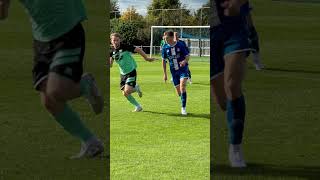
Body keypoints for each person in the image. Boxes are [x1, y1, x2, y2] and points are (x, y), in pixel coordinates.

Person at [0, 0, 105, 158]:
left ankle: (85, 85)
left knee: (56, 90)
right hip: (42, 38)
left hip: (68, 31)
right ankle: (90, 142)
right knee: (48, 100)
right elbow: (3, 13)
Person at [211, 0, 250, 167]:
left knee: (232, 85)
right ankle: (235, 122)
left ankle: (235, 146)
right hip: (210, 31)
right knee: (223, 102)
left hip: (232, 26)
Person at [110, 33, 156, 112]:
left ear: (120, 40)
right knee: (125, 93)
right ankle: (138, 106)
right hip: (123, 74)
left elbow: (138, 49)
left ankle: (135, 87)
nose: (115, 42)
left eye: (117, 40)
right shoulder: (111, 51)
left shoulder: (125, 46)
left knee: (127, 91)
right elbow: (110, 64)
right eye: (114, 40)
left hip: (131, 71)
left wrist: (146, 58)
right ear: (111, 41)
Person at [162, 30, 190, 115]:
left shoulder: (180, 45)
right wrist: (165, 74)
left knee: (182, 87)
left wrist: (184, 61)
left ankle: (183, 108)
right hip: (173, 72)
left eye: (166, 38)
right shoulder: (165, 47)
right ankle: (183, 101)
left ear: (171, 37)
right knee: (179, 92)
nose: (165, 39)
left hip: (183, 69)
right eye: (164, 38)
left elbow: (187, 56)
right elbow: (164, 61)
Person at [241, 1, 264, 70]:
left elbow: (248, 14)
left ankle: (257, 63)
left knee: (254, 41)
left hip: (244, 25)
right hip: (235, 26)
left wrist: (251, 28)